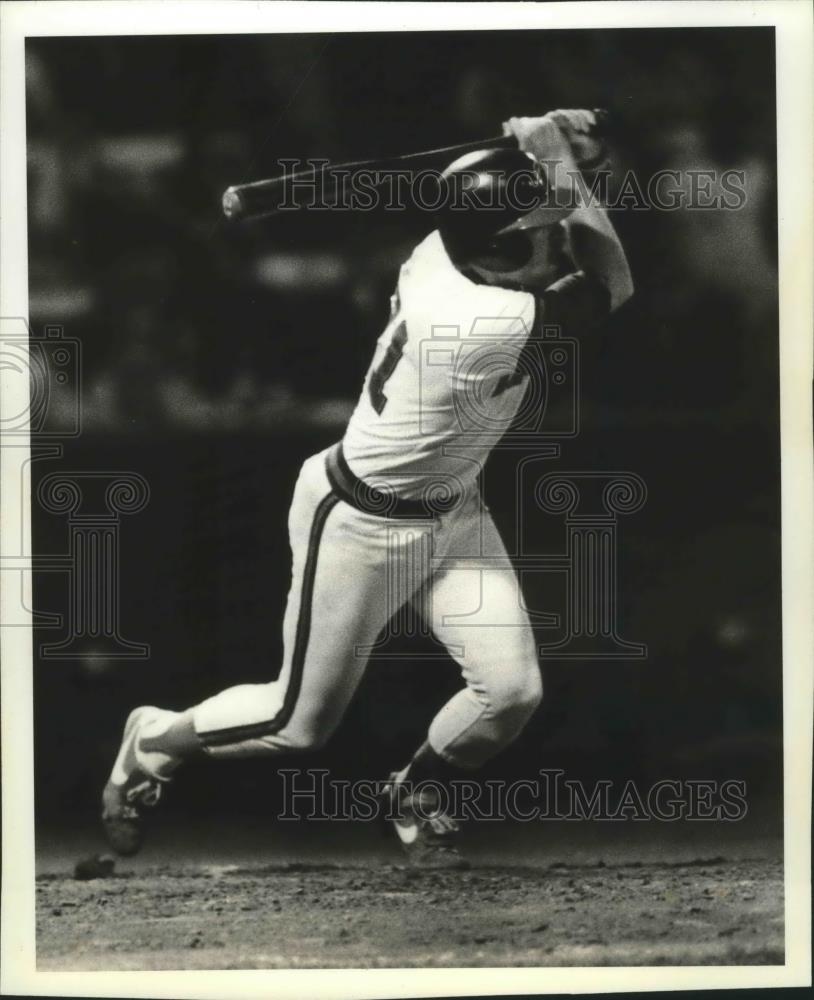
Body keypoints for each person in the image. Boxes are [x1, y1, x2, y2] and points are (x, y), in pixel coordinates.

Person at [102, 109, 633, 868]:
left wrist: (555, 150)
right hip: (359, 521)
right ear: (507, 247)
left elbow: (536, 214)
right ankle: (154, 739)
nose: (554, 234)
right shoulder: (488, 321)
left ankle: (416, 790)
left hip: (455, 510)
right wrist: (560, 161)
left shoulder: (442, 253)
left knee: (510, 693)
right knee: (294, 721)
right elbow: (612, 278)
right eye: (540, 225)